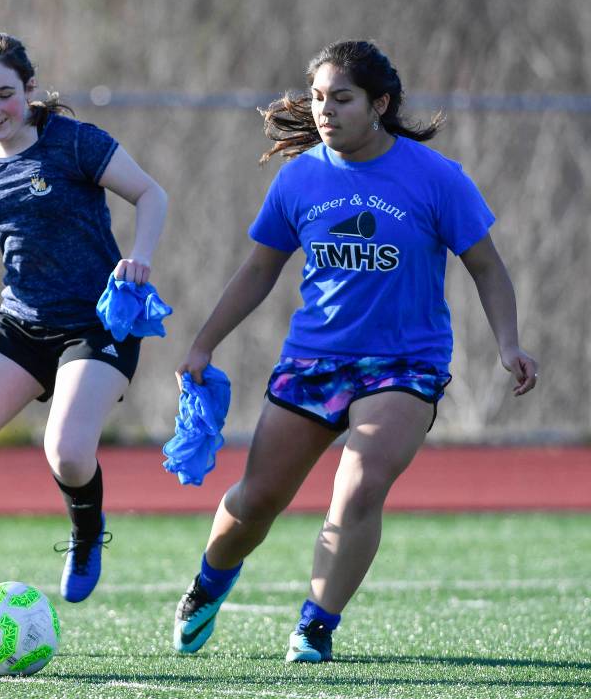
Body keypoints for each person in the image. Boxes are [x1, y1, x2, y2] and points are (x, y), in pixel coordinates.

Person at [171, 40, 538, 663]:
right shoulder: (301, 178)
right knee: (256, 499)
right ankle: (208, 584)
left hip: (405, 365)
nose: (325, 111)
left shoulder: (435, 177)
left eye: (341, 98)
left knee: (358, 486)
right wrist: (205, 342)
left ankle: (315, 625)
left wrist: (508, 343)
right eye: (317, 98)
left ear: (380, 104)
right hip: (313, 362)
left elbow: (487, 266)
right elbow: (259, 270)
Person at [0, 33, 168, 640]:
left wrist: (140, 256)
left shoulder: (74, 143)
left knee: (67, 452)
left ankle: (87, 530)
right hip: (20, 323)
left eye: (5, 94)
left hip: (95, 321)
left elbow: (152, 194)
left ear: (30, 89)